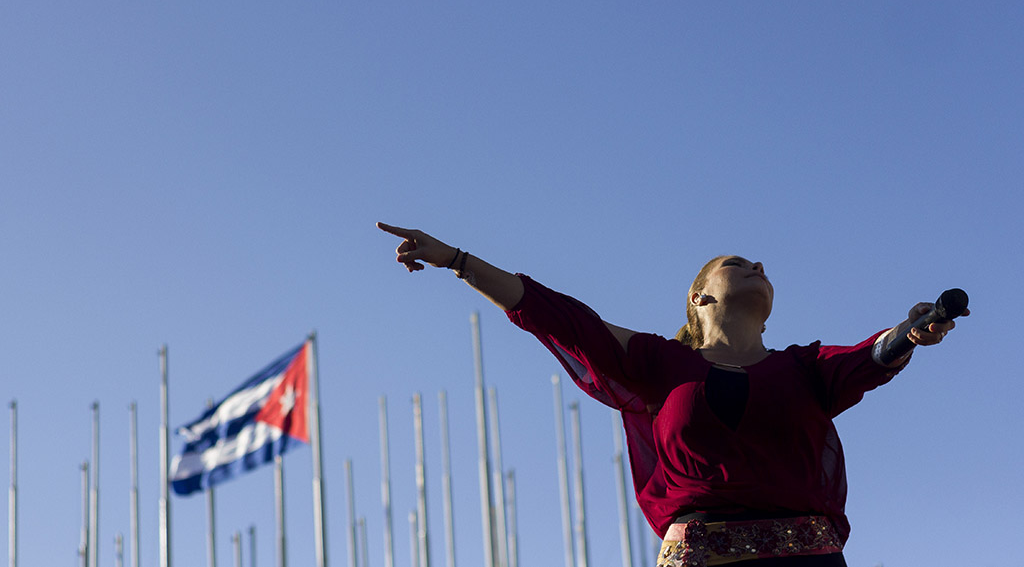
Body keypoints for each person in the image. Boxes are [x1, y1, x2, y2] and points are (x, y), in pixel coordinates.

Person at [377, 222, 966, 566]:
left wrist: (911, 330)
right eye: (738, 263)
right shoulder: (659, 362)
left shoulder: (804, 368)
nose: (759, 264)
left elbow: (872, 353)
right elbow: (557, 314)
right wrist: (456, 259)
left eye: (760, 264)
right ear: (699, 297)